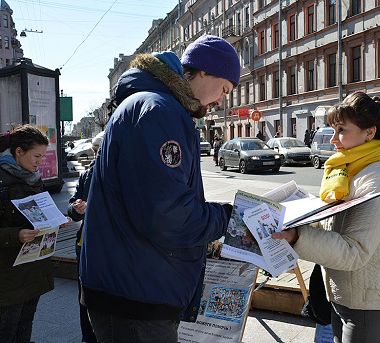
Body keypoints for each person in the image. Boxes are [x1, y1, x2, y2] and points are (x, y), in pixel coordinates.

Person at [80, 34, 237, 343]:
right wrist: (228, 217)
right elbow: (167, 216)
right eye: (225, 88)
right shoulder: (160, 112)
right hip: (135, 297)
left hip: (134, 286)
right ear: (204, 71)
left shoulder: (154, 106)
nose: (222, 99)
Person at [273, 92, 380, 343]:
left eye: (341, 130)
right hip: (343, 294)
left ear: (369, 132)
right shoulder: (347, 173)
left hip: (370, 303)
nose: (333, 140)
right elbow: (331, 226)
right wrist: (294, 218)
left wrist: (297, 237)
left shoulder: (377, 181)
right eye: (333, 130)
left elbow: (353, 251)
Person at [0, 125, 52, 342]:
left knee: (24, 329)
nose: (40, 162)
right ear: (18, 152)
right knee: (7, 332)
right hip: (8, 277)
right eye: (36, 156)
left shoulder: (33, 178)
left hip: (32, 270)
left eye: (43, 156)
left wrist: (60, 220)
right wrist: (16, 235)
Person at [67, 134, 103, 343]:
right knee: (85, 299)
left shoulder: (125, 174)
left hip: (110, 247)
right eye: (96, 151)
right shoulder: (87, 175)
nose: (98, 155)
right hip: (86, 244)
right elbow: (72, 208)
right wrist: (76, 208)